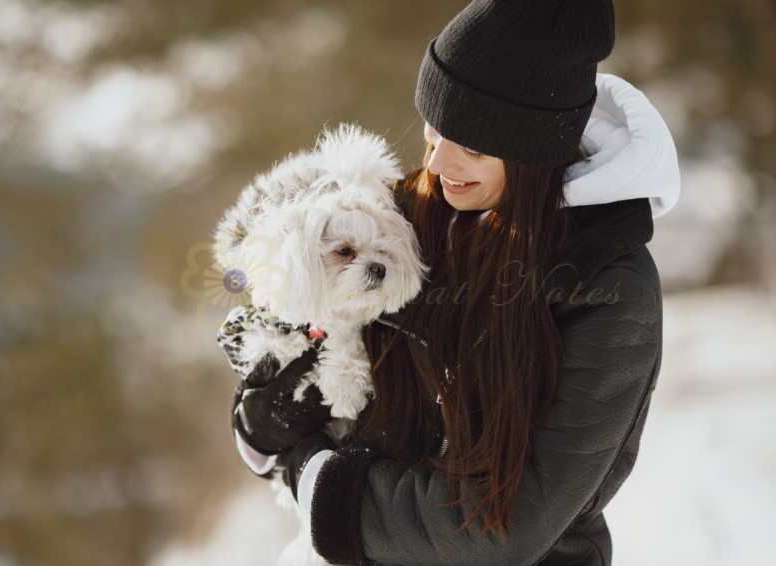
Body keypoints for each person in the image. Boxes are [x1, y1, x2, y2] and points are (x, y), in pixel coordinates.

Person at [229, 0, 680, 564]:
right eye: (434, 130)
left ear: (535, 155)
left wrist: (316, 478)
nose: (438, 164)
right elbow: (293, 346)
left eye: (472, 147)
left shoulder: (611, 292)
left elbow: (507, 527)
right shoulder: (404, 218)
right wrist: (260, 420)